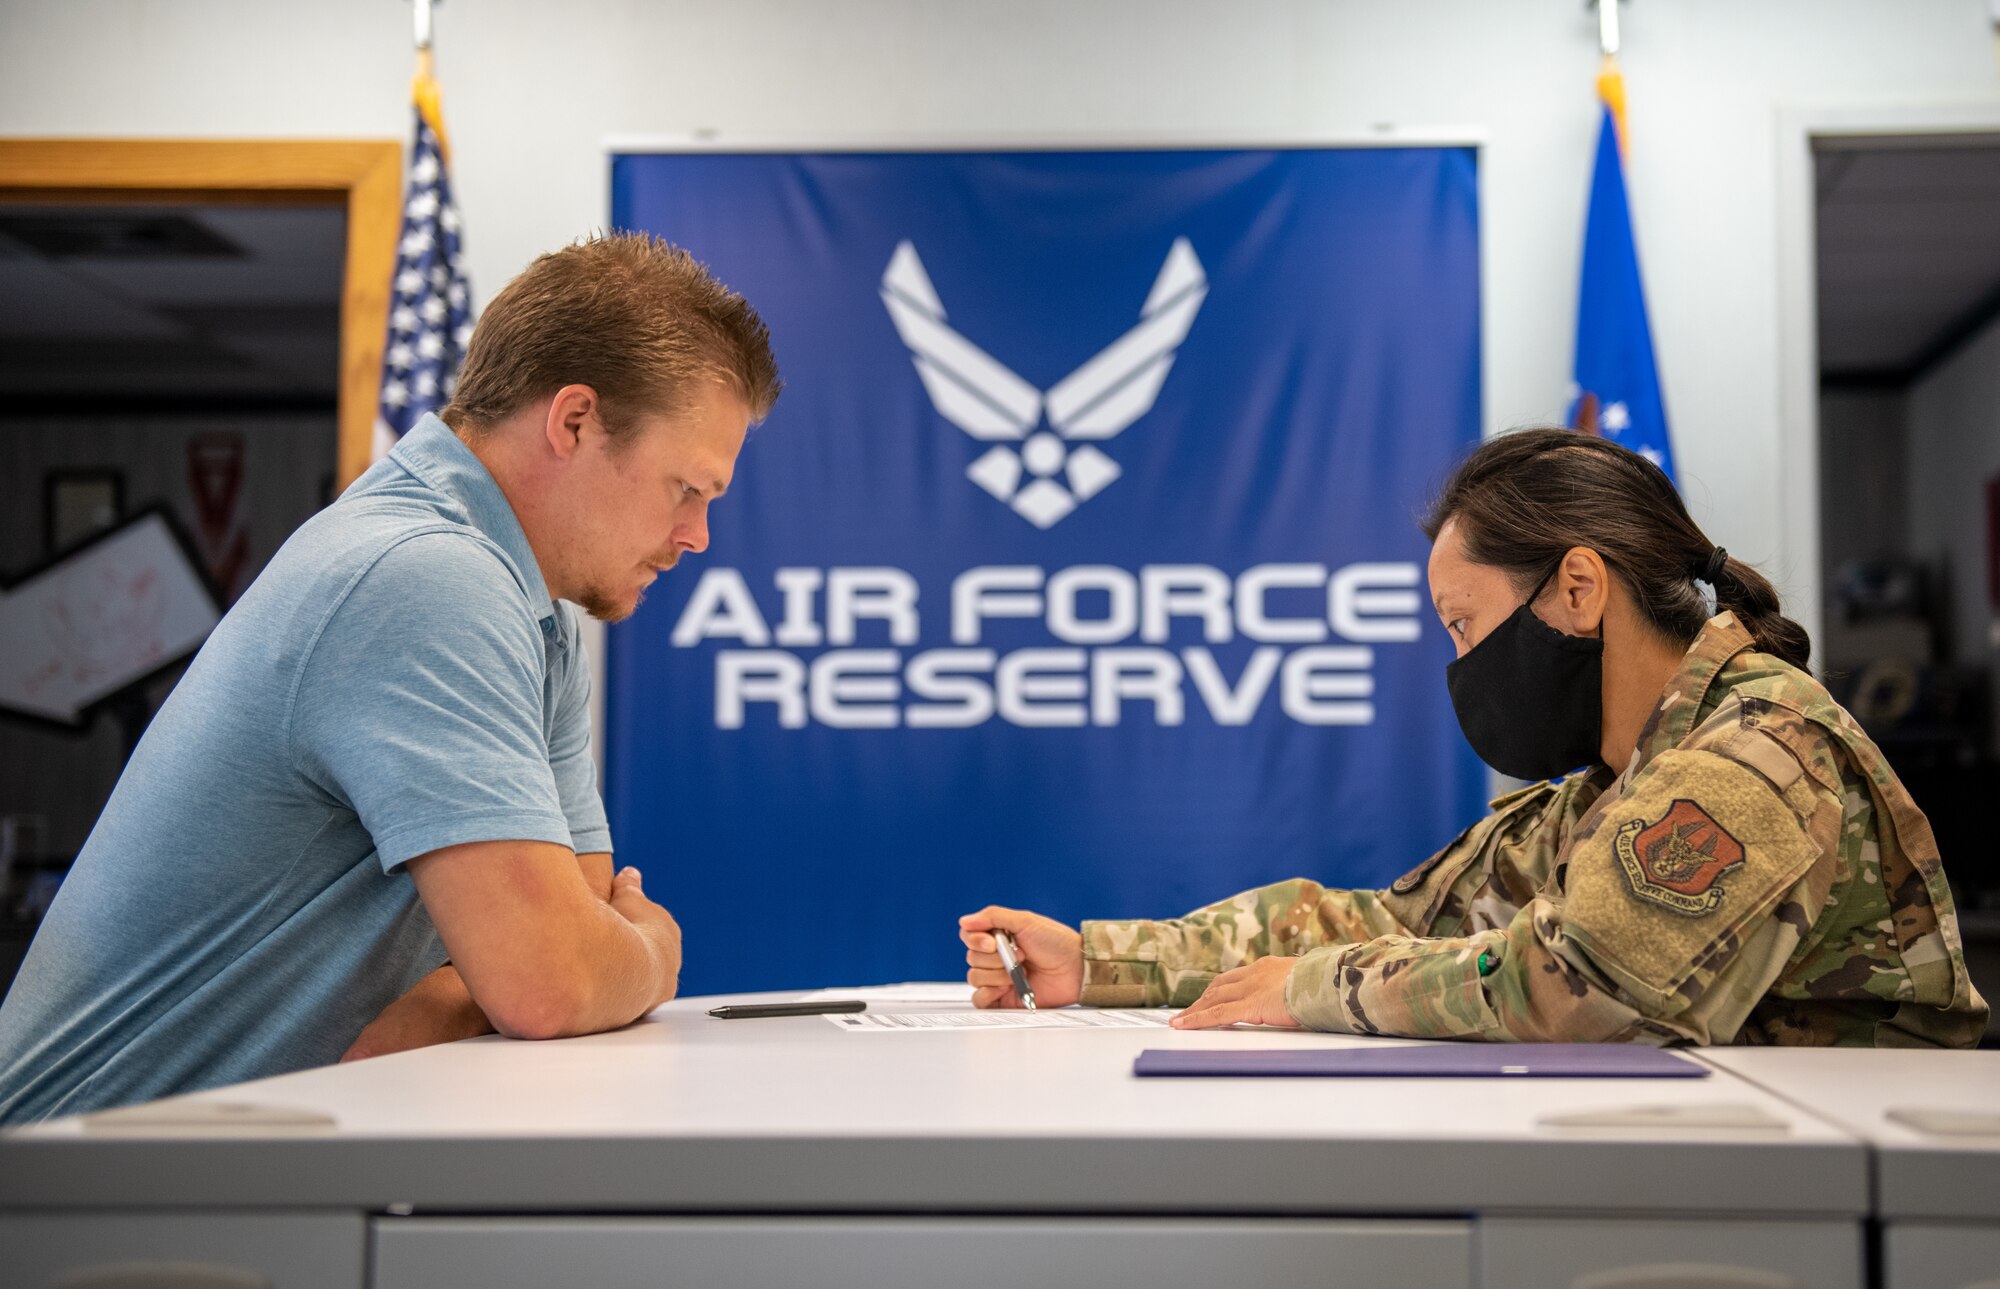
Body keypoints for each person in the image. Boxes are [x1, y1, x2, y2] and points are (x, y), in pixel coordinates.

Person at [0, 233, 781, 1123]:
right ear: (573, 421)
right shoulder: (424, 575)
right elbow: (556, 979)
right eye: (688, 488)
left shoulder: (540, 608)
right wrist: (655, 948)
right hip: (83, 1199)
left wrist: (515, 977)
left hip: (228, 1167)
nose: (698, 537)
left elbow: (578, 921)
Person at [961, 429, 1987, 1047]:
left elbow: (1583, 987)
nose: (1457, 661)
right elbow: (1383, 916)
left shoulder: (1750, 752)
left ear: (1577, 588)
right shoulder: (1614, 786)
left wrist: (1310, 995)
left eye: (1461, 624)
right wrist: (1095, 960)